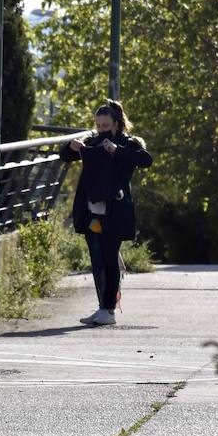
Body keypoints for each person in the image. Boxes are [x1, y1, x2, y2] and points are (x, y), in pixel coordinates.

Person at [59, 99, 153, 326]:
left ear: (116, 123)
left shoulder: (127, 142)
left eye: (105, 125)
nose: (101, 129)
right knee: (98, 258)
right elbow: (65, 156)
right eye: (98, 125)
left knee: (109, 258)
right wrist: (71, 147)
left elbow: (145, 160)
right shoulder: (91, 141)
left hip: (115, 209)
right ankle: (103, 305)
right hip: (93, 211)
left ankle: (109, 309)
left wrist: (117, 150)